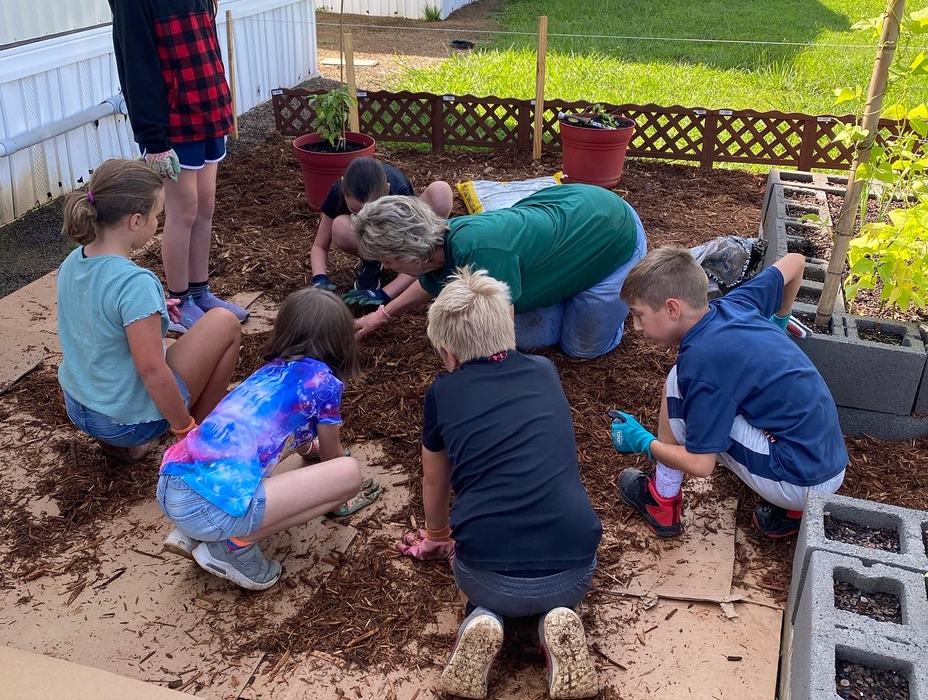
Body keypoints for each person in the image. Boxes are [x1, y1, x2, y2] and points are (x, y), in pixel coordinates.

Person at [398, 267, 601, 699]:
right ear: (508, 326)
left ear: (448, 353)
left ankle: (480, 619)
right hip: (574, 565)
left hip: (487, 571)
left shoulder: (443, 392)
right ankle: (555, 623)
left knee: (488, 580)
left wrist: (436, 535)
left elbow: (434, 481)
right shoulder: (546, 371)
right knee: (556, 588)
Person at [609, 248, 848, 539]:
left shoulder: (700, 363)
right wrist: (780, 321)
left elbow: (701, 464)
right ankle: (789, 514)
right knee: (736, 390)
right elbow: (796, 262)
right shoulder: (737, 303)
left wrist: (643, 441)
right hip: (830, 459)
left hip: (801, 481)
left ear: (672, 309)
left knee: (676, 384)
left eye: (639, 315)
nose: (635, 327)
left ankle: (662, 499)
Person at [157, 287, 382, 590]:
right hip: (209, 508)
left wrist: (309, 449)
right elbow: (333, 456)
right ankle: (232, 546)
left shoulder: (270, 372)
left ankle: (191, 532)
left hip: (172, 484)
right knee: (348, 472)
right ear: (341, 341)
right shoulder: (324, 383)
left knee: (241, 456)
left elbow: (286, 436)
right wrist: (338, 492)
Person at [56, 159, 241, 463]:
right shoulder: (135, 283)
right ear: (136, 221)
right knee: (225, 323)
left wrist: (150, 309)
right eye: (158, 215)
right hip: (119, 420)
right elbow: (151, 370)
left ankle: (121, 448)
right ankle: (197, 438)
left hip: (80, 406)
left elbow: (95, 317)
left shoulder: (73, 263)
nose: (159, 222)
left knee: (146, 351)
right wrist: (183, 428)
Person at [351, 183, 647, 359]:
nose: (386, 267)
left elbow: (501, 347)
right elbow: (430, 282)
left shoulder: (480, 252)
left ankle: (615, 312)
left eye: (387, 260)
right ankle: (566, 285)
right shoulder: (442, 245)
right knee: (531, 337)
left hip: (612, 234)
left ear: (409, 252)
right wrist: (381, 315)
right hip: (574, 217)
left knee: (580, 349)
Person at [109, 0, 250, 333]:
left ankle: (200, 293)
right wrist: (154, 140)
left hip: (208, 111)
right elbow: (136, 66)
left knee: (205, 205)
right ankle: (179, 301)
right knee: (183, 209)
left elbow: (207, 48)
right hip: (173, 124)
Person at [310, 157, 453, 305]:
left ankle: (434, 256)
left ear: (388, 191)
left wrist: (385, 293)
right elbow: (319, 245)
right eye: (356, 211)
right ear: (343, 187)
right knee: (340, 226)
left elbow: (418, 257)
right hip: (380, 241)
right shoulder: (338, 192)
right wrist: (320, 279)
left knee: (440, 191)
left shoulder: (399, 191)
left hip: (403, 240)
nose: (363, 217)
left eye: (372, 210)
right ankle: (371, 262)